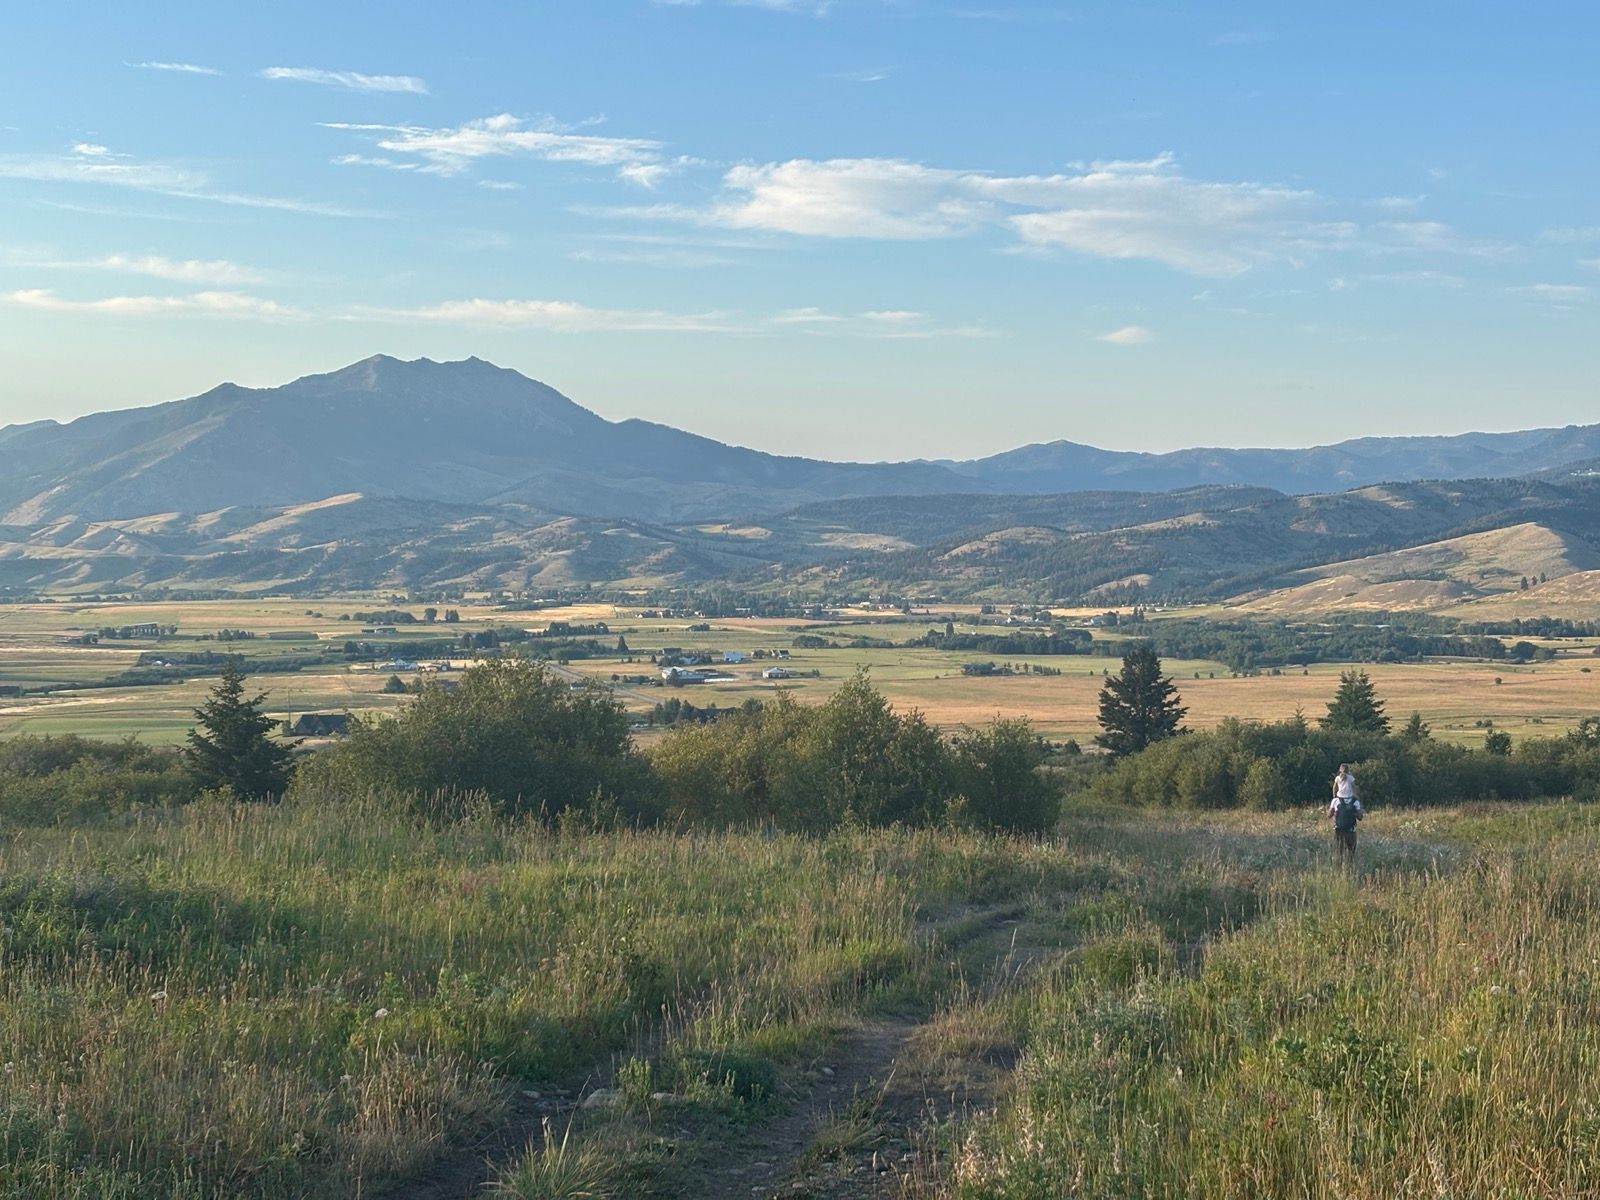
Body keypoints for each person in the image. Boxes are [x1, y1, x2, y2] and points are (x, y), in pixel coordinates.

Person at [1328, 763, 1363, 868]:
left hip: (1338, 830)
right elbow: (1360, 817)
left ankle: (1339, 869)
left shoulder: (1336, 801)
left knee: (1339, 852)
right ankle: (1350, 868)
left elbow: (1329, 815)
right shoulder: (1354, 801)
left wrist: (1333, 803)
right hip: (1351, 830)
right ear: (1348, 771)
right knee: (1351, 853)